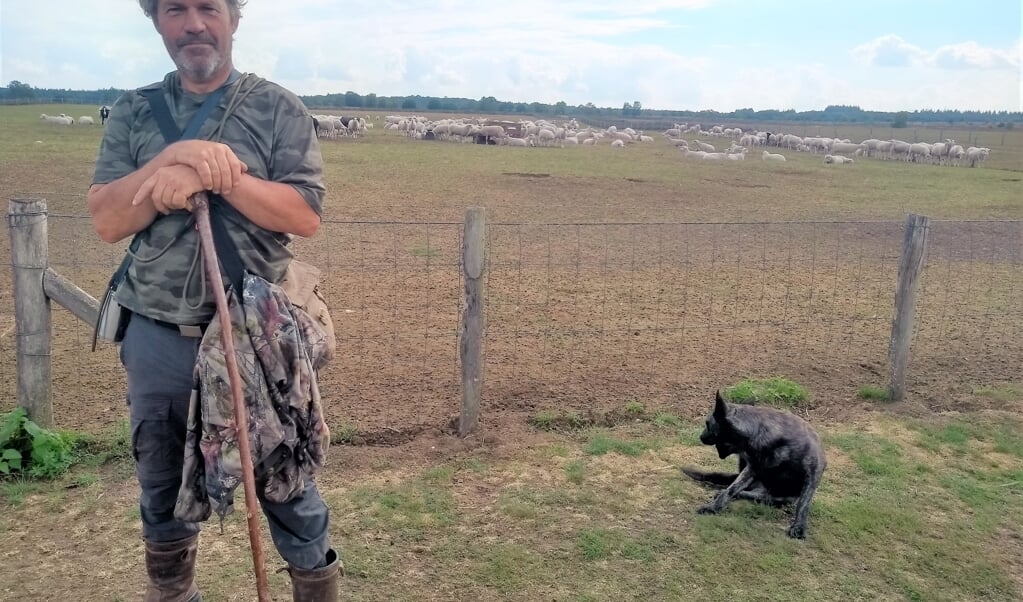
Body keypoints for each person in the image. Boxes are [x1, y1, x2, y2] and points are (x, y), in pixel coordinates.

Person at [87, 0, 340, 600]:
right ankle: (173, 593)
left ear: (233, 18)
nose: (194, 23)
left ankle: (313, 588)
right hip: (157, 333)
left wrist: (213, 176)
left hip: (256, 335)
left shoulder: (276, 107)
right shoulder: (132, 111)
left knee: (284, 477)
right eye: (176, 9)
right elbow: (106, 220)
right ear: (156, 21)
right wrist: (173, 158)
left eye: (209, 7)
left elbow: (302, 215)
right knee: (160, 478)